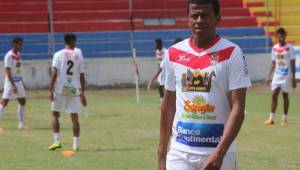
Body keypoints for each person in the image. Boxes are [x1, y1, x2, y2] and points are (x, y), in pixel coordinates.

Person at [157, 0, 251, 170]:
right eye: (194, 15)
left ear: (218, 18)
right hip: (180, 153)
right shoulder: (173, 53)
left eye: (205, 15)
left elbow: (238, 107)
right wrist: (161, 154)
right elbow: (168, 105)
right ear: (188, 19)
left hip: (220, 153)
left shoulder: (232, 53)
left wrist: (219, 153)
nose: (199, 20)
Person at [48, 33, 85, 151]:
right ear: (71, 41)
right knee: (74, 117)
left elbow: (54, 74)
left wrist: (51, 89)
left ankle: (57, 141)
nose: (76, 43)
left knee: (54, 114)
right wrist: (82, 91)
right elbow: (82, 75)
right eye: (75, 40)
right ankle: (76, 145)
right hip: (73, 89)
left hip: (60, 88)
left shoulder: (58, 54)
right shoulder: (78, 56)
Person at [264, 27, 296, 126]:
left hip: (286, 75)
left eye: (282, 35)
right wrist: (269, 76)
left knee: (285, 96)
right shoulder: (274, 48)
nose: (280, 37)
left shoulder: (290, 48)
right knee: (274, 94)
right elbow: (273, 63)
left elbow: (292, 63)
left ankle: (284, 118)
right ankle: (271, 118)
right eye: (279, 35)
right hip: (277, 75)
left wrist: (293, 78)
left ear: (285, 36)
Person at [0, 37, 29, 132]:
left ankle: (21, 123)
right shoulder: (9, 55)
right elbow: (7, 70)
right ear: (14, 45)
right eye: (20, 44)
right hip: (10, 81)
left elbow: (18, 70)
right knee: (4, 101)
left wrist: (22, 82)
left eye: (22, 44)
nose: (21, 46)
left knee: (22, 100)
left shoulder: (19, 55)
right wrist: (12, 84)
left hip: (18, 80)